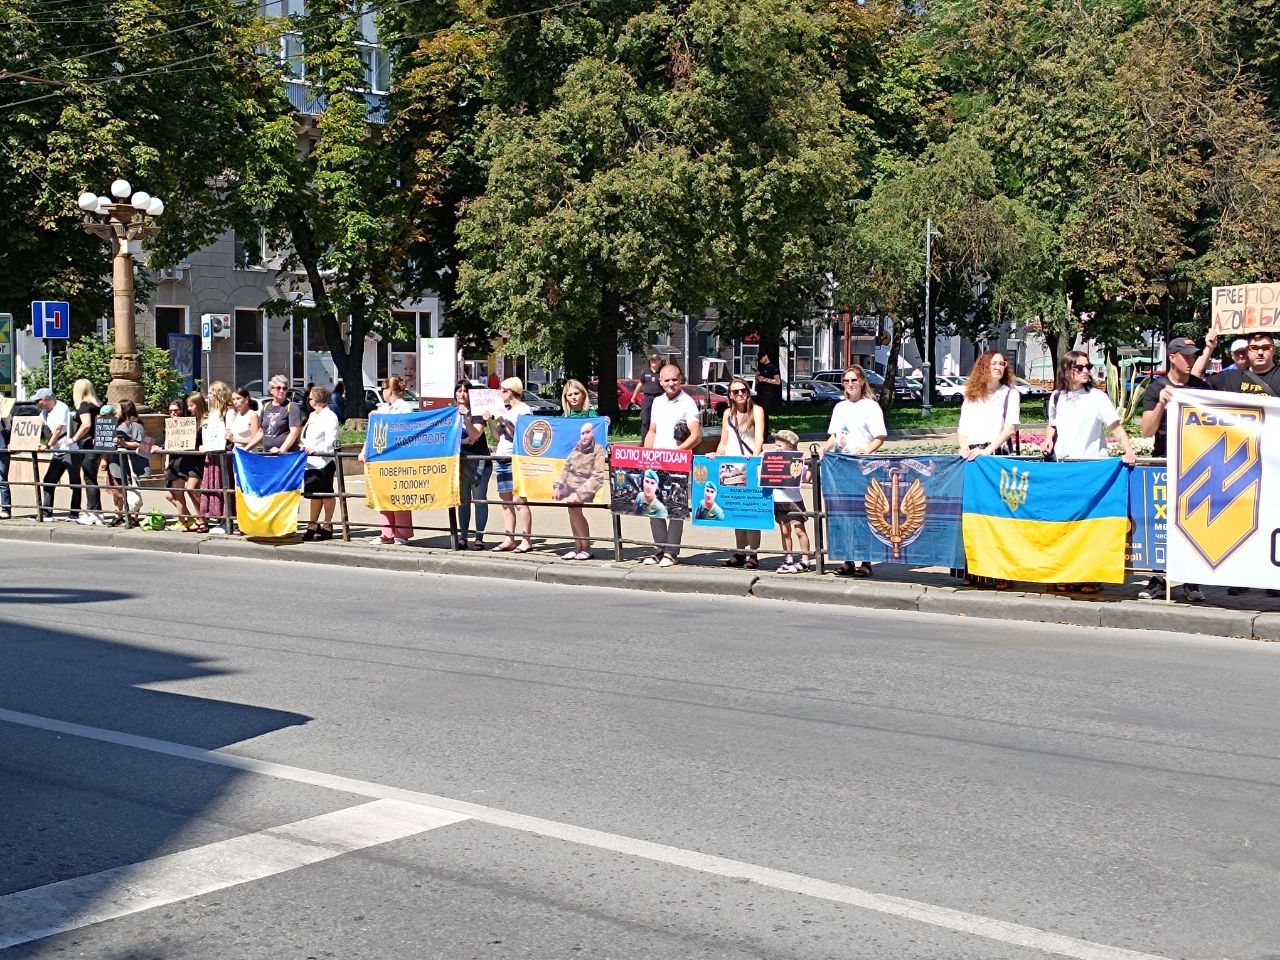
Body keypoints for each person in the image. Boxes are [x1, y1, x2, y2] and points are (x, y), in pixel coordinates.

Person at [1045, 351, 1137, 595]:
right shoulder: (1056, 398)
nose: (1086, 371)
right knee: (1066, 525)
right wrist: (1048, 439)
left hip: (1093, 468)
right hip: (1065, 468)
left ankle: (1091, 575)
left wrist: (1128, 450)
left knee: (1090, 527)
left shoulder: (1097, 397)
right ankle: (1065, 572)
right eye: (1080, 367)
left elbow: (1115, 426)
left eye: (1088, 366)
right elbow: (1052, 425)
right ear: (1067, 370)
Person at [1201, 329, 1280, 597]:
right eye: (1254, 347)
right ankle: (1241, 576)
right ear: (1246, 352)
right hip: (1240, 463)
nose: (1260, 351)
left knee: (1272, 521)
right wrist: (1209, 349)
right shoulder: (1232, 378)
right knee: (1241, 520)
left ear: (1273, 350)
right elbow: (1193, 384)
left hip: (1275, 462)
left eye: (1265, 347)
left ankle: (1273, 577)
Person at [1137, 337, 1208, 603]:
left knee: (1193, 522)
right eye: (1186, 355)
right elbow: (1146, 430)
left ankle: (1191, 579)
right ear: (1172, 357)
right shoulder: (1157, 388)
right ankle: (1158, 578)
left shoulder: (1201, 387)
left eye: (1193, 356)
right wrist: (1161, 405)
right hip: (1165, 463)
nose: (1190, 360)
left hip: (1195, 466)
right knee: (1162, 524)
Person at [820, 364, 886, 577]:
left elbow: (879, 437)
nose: (850, 384)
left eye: (854, 380)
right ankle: (847, 559)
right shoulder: (840, 407)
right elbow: (834, 437)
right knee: (843, 514)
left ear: (862, 382)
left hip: (863, 467)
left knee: (864, 514)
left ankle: (865, 561)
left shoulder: (870, 407)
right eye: (846, 381)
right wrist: (824, 448)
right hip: (841, 467)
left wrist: (866, 450)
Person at [643, 363, 701, 566]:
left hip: (677, 462)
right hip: (656, 461)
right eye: (666, 380)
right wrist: (645, 456)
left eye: (674, 379)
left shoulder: (688, 403)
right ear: (660, 382)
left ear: (681, 380)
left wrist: (678, 452)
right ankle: (659, 548)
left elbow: (696, 436)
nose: (671, 383)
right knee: (653, 505)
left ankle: (671, 552)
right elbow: (652, 430)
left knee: (676, 508)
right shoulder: (657, 402)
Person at [717, 375, 765, 569]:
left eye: (743, 390)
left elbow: (759, 437)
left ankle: (753, 553)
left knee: (750, 511)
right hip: (731, 466)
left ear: (748, 391)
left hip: (749, 465)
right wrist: (716, 454)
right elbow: (724, 441)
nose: (740, 394)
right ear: (730, 395)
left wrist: (754, 458)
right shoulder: (728, 413)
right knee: (736, 511)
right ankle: (739, 552)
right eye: (735, 391)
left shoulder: (757, 410)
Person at [362, 375, 416, 545]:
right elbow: (374, 432)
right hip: (382, 457)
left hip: (398, 456)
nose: (382, 392)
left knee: (399, 494)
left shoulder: (404, 408)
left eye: (384, 388)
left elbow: (404, 430)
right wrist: (365, 450)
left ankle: (401, 532)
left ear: (389, 390)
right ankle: (387, 532)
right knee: (383, 494)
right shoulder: (384, 408)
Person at [487, 376, 534, 553]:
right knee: (505, 501)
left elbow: (520, 437)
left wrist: (502, 421)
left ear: (511, 392)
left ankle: (526, 539)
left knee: (519, 500)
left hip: (515, 459)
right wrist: (490, 421)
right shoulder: (506, 410)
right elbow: (498, 438)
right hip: (502, 458)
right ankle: (509, 538)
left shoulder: (523, 410)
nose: (500, 393)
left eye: (502, 390)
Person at [557, 378, 600, 559]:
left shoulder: (591, 414)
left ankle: (586, 547)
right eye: (570, 395)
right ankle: (578, 546)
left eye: (576, 393)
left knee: (575, 507)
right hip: (569, 468)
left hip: (585, 468)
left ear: (583, 394)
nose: (573, 397)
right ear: (565, 398)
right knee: (571, 507)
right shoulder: (564, 418)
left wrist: (605, 422)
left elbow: (600, 437)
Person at [553, 420, 607, 559]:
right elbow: (566, 467)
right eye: (582, 433)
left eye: (588, 432)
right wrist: (558, 486)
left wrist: (578, 494)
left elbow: (598, 476)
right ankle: (578, 547)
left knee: (575, 510)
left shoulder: (598, 449)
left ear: (594, 432)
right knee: (572, 511)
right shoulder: (577, 447)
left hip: (584, 486)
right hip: (569, 486)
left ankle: (586, 548)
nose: (584, 436)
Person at [956, 351, 1020, 460]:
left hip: (996, 455)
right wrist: (964, 448)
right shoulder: (971, 396)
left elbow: (1010, 429)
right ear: (983, 367)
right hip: (971, 456)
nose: (998, 367)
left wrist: (986, 451)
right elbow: (962, 430)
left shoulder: (1010, 394)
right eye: (994, 363)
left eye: (1001, 364)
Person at [455, 380, 490, 550]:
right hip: (461, 461)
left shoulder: (478, 413)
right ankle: (462, 537)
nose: (461, 394)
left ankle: (479, 538)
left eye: (465, 391)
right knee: (463, 500)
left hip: (479, 461)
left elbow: (475, 434)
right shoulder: (450, 412)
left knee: (479, 499)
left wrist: (466, 418)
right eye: (459, 390)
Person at [301, 385, 339, 541]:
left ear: (316, 400)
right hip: (311, 461)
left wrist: (315, 449)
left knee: (326, 494)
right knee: (314, 495)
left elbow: (331, 441)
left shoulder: (330, 417)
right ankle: (312, 524)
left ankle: (327, 525)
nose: (308, 400)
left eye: (309, 398)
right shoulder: (313, 416)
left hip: (324, 460)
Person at [771, 430, 812, 574]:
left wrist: (811, 462)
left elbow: (807, 479)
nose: (777, 448)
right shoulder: (774, 458)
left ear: (791, 446)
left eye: (780, 445)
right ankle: (788, 558)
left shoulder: (798, 458)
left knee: (799, 530)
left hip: (793, 499)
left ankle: (805, 559)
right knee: (784, 531)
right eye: (776, 445)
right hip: (778, 499)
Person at [33, 387, 76, 522]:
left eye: (38, 400)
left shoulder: (61, 408)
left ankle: (74, 513)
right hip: (57, 451)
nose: (36, 403)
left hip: (69, 449)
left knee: (75, 483)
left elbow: (58, 429)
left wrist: (47, 445)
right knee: (49, 481)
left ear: (46, 400)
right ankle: (46, 513)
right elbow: (38, 425)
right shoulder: (44, 412)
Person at [199, 381, 234, 534]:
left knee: (223, 485)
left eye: (212, 393)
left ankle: (227, 520)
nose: (209, 396)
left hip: (222, 455)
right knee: (212, 485)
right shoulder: (212, 413)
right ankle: (219, 518)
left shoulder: (228, 412)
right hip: (211, 454)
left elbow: (229, 433)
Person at [164, 398, 204, 531]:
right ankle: (183, 520)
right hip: (175, 461)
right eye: (171, 411)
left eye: (176, 410)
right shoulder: (169, 425)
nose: (173, 413)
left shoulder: (192, 423)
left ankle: (202, 518)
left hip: (192, 461)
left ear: (182, 410)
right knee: (176, 493)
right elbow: (165, 444)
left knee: (192, 490)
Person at [106, 400, 148, 526]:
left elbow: (142, 444)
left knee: (131, 489)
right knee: (116, 490)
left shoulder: (135, 425)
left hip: (130, 463)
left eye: (118, 408)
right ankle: (118, 514)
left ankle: (133, 516)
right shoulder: (116, 423)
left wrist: (123, 443)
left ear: (125, 409)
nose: (115, 411)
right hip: (115, 462)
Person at [69, 378, 104, 525]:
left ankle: (93, 512)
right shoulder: (97, 405)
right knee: (92, 478)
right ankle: (96, 512)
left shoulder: (84, 405)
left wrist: (73, 438)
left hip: (87, 444)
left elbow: (86, 424)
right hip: (96, 444)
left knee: (89, 478)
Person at [260, 374, 302, 453]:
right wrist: (246, 449)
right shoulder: (266, 406)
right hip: (267, 453)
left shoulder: (291, 406)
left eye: (284, 388)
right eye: (278, 388)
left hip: (285, 454)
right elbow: (261, 432)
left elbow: (294, 432)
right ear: (271, 390)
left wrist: (281, 450)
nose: (282, 391)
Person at [630, 354, 664, 442]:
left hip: (659, 398)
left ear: (660, 361)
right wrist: (633, 397)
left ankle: (658, 441)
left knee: (660, 421)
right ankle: (644, 442)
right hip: (648, 398)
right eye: (652, 360)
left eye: (655, 360)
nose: (653, 361)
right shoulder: (646, 372)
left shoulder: (662, 373)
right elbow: (640, 384)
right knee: (645, 420)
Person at [754, 351, 782, 435]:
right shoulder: (761, 367)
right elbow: (757, 381)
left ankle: (765, 433)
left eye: (761, 358)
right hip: (760, 393)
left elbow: (777, 381)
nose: (760, 360)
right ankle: (759, 432)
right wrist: (756, 377)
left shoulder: (772, 367)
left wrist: (765, 379)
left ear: (766, 356)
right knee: (758, 413)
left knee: (764, 413)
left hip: (767, 393)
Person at [0, 390, 11, 520]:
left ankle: (5, 509)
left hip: (2, 447)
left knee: (2, 479)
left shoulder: (5, 415)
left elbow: (9, 425)